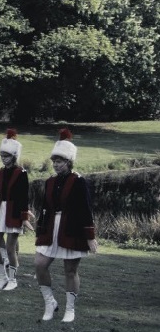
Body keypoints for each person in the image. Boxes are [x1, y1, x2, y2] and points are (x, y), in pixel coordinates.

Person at [34, 129, 97, 322]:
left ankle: (70, 309)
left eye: (59, 162)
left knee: (70, 270)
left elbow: (85, 210)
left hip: (72, 230)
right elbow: (44, 207)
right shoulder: (50, 182)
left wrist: (90, 237)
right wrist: (40, 229)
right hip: (51, 229)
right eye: (54, 161)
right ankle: (50, 303)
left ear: (68, 162)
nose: (55, 165)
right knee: (39, 265)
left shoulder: (79, 182)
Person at [0, 129, 30, 290]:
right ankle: (2, 277)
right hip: (0, 211)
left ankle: (13, 280)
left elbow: (24, 197)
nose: (3, 159)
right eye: (2, 156)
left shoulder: (21, 173)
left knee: (11, 249)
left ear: (14, 156)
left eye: (6, 156)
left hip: (14, 212)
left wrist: (24, 216)